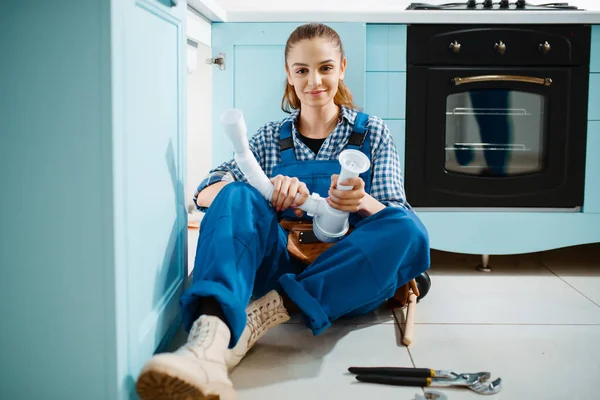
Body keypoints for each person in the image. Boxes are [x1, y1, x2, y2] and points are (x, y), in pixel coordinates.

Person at [136, 22, 431, 400]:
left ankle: (263, 317)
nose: (314, 82)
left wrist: (359, 200)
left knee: (410, 231)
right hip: (281, 263)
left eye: (325, 68)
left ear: (342, 68)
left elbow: (396, 214)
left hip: (348, 275)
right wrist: (268, 190)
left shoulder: (372, 132)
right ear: (289, 75)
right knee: (237, 194)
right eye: (302, 70)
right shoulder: (267, 137)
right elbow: (206, 193)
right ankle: (207, 344)